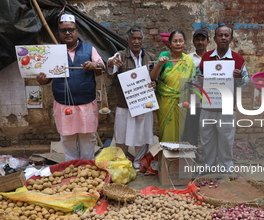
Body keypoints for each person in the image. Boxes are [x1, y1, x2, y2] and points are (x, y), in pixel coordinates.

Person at [36, 13, 105, 161]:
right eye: (63, 30)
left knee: (87, 138)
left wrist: (95, 65)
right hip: (63, 104)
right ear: (59, 33)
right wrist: (42, 80)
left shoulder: (89, 49)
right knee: (67, 139)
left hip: (86, 103)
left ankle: (87, 167)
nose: (67, 33)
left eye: (71, 29)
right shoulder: (53, 52)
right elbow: (46, 79)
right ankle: (72, 169)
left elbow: (102, 67)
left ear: (77, 31)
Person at [198, 25, 249, 172]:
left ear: (231, 39)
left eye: (226, 35)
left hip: (227, 107)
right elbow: (196, 80)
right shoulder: (206, 58)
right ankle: (208, 168)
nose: (223, 38)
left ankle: (226, 168)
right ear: (215, 38)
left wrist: (239, 78)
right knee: (207, 139)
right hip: (207, 106)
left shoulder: (238, 59)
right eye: (220, 35)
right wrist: (199, 79)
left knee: (226, 140)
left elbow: (245, 83)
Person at [107, 25, 156, 169]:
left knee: (143, 134)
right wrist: (111, 62)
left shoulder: (150, 57)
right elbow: (110, 68)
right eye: (133, 38)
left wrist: (154, 83)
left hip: (144, 103)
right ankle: (122, 162)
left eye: (139, 38)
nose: (136, 41)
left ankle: (139, 162)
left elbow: (155, 77)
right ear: (128, 40)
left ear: (142, 41)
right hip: (125, 104)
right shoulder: (120, 56)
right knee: (122, 134)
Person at [150, 30, 195, 142]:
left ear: (185, 43)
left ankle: (175, 157)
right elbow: (153, 77)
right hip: (165, 99)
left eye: (180, 41)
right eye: (175, 41)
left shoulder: (188, 60)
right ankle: (166, 157)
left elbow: (191, 82)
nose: (178, 44)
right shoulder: (164, 56)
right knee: (166, 129)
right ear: (170, 43)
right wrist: (159, 64)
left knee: (180, 131)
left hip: (182, 101)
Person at [183, 29, 209, 147]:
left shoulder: (213, 58)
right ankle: (193, 151)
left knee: (208, 128)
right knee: (192, 127)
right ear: (193, 42)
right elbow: (184, 78)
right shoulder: (188, 59)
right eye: (197, 40)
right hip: (194, 100)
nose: (200, 42)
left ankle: (207, 153)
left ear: (207, 42)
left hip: (210, 100)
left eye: (203, 39)